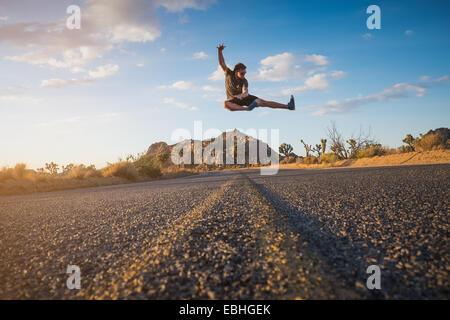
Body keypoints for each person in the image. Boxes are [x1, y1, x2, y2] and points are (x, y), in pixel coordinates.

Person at [217, 43, 295, 112]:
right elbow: (222, 63)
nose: (244, 75)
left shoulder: (244, 81)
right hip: (234, 100)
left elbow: (245, 92)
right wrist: (220, 51)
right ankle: (247, 109)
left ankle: (288, 106)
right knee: (225, 104)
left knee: (264, 102)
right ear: (236, 71)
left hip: (245, 98)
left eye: (245, 73)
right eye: (242, 73)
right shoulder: (229, 74)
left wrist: (242, 95)